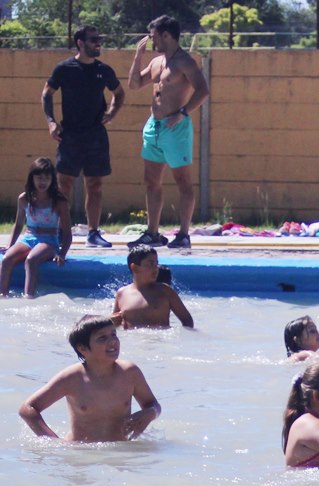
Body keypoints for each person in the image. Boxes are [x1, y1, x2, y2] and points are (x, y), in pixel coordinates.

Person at [126, 15, 210, 250]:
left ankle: (183, 234)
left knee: (183, 180)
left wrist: (182, 113)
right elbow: (133, 84)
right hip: (155, 126)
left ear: (166, 35)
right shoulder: (156, 62)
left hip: (176, 127)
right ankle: (152, 232)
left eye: (153, 35)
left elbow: (203, 90)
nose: (150, 39)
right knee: (151, 180)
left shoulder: (185, 61)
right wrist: (138, 56)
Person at [42, 25, 124, 249]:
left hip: (95, 135)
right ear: (80, 42)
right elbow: (46, 94)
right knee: (64, 184)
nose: (98, 43)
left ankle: (93, 233)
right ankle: (60, 231)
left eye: (99, 39)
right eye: (93, 39)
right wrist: (51, 122)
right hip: (70, 135)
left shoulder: (103, 70)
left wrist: (112, 113)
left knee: (95, 184)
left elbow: (119, 93)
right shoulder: (65, 68)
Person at [19, 315, 161, 442]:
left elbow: (153, 404)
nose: (112, 341)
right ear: (83, 348)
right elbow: (27, 409)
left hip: (120, 452)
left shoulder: (130, 372)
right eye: (102, 338)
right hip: (83, 453)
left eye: (114, 334)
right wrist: (54, 442)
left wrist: (150, 413)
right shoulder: (72, 378)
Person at [2, 158, 71, 298]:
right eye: (39, 178)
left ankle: (29, 297)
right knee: (7, 259)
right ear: (31, 178)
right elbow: (18, 225)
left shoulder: (59, 201)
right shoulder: (24, 199)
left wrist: (62, 253)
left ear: (52, 180)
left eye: (47, 178)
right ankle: (2, 295)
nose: (42, 182)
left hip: (50, 241)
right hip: (29, 237)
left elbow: (67, 233)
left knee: (31, 260)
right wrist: (10, 245)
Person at [112, 245, 194, 329]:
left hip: (159, 340)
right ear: (135, 268)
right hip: (133, 340)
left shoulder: (165, 291)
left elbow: (187, 320)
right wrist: (112, 321)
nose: (156, 268)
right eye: (150, 264)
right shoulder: (122, 293)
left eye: (156, 263)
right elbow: (113, 325)